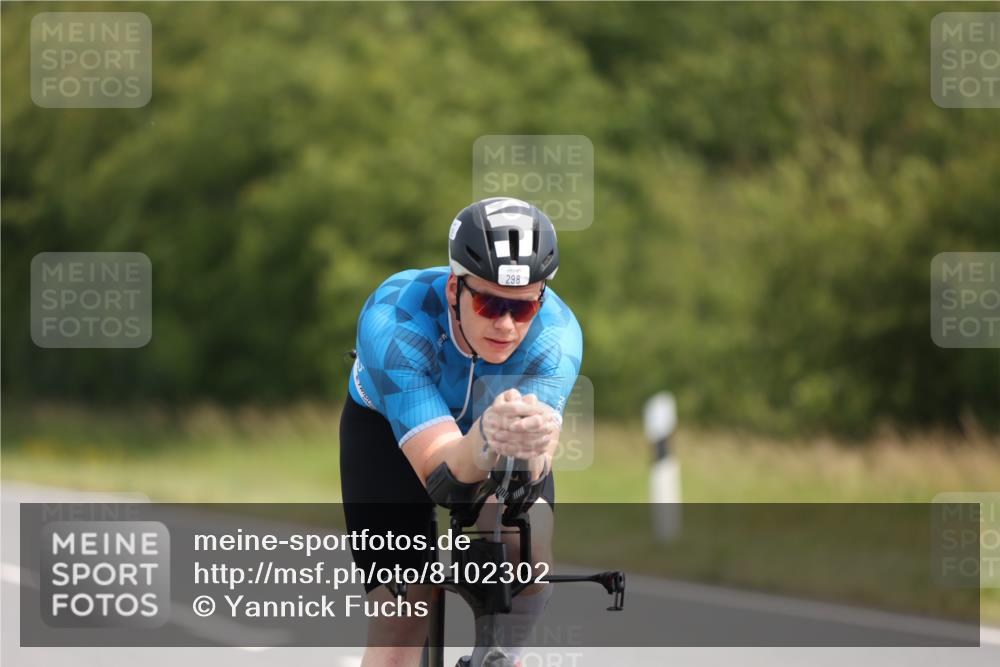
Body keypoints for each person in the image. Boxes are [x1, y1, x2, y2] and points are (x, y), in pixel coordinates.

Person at [340, 197, 583, 667]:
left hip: (492, 434)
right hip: (388, 434)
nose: (506, 325)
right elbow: (443, 478)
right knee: (401, 619)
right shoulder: (395, 318)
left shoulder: (557, 335)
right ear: (455, 287)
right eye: (489, 303)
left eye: (524, 308)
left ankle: (499, 657)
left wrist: (530, 453)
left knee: (529, 550)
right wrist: (486, 436)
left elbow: (530, 477)